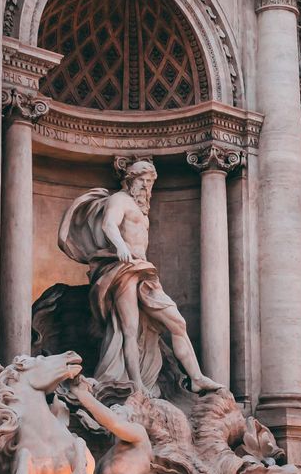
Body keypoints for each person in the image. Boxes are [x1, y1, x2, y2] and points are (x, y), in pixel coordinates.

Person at [58, 159, 222, 394]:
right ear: (130, 181)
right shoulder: (119, 200)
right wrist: (121, 246)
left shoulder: (142, 207)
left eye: (149, 182)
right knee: (130, 329)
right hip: (122, 269)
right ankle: (136, 385)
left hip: (144, 270)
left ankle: (196, 377)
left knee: (177, 323)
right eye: (141, 181)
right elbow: (108, 225)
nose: (146, 186)